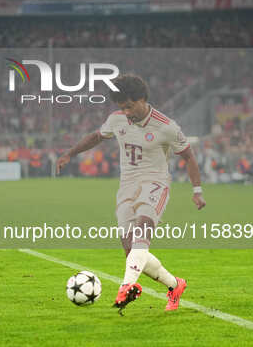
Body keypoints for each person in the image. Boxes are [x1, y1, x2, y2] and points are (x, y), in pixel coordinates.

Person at [56, 74, 206, 314]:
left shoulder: (166, 126)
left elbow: (188, 156)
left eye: (129, 106)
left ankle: (127, 285)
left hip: (155, 183)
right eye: (121, 107)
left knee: (142, 230)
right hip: (127, 186)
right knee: (132, 250)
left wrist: (197, 191)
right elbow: (97, 136)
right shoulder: (117, 120)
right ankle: (175, 285)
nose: (125, 112)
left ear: (142, 99)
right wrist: (70, 154)